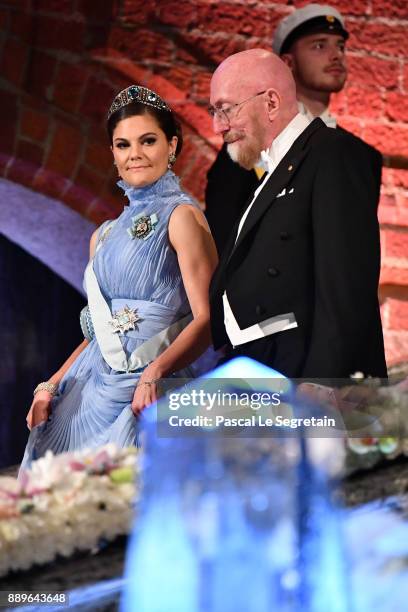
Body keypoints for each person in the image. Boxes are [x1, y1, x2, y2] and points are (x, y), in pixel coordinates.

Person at [22, 85, 218, 466]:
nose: (136, 155)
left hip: (150, 387)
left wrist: (155, 373)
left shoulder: (182, 217)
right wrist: (50, 384)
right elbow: (97, 334)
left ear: (172, 146)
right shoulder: (104, 235)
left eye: (148, 141)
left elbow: (207, 320)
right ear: (112, 153)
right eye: (123, 145)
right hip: (88, 390)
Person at [209, 49, 387, 379]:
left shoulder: (334, 153)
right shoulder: (269, 169)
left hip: (303, 370)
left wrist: (322, 383)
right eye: (214, 111)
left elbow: (346, 286)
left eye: (226, 109)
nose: (218, 126)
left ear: (271, 103)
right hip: (255, 365)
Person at [205, 3, 382, 255]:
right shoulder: (250, 140)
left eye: (340, 47)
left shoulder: (363, 157)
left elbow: (357, 248)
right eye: (319, 45)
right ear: (287, 62)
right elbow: (224, 236)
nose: (336, 56)